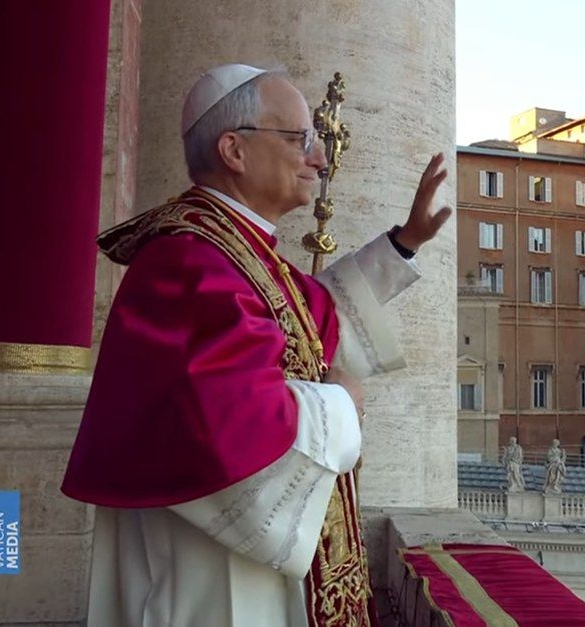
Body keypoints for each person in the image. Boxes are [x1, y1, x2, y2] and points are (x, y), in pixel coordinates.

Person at [61, 65, 451, 626]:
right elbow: (224, 424)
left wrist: (404, 244)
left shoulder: (234, 248)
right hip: (209, 567)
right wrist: (341, 407)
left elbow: (315, 314)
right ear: (234, 150)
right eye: (300, 139)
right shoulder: (189, 260)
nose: (319, 158)